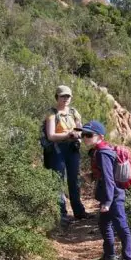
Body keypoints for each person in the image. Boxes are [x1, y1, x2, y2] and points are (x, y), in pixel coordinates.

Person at [80, 120, 131, 260]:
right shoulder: (99, 150)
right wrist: (91, 176)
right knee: (104, 225)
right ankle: (109, 256)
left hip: (114, 196)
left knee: (121, 226)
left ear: (100, 136)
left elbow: (109, 178)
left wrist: (108, 201)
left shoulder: (103, 152)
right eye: (83, 134)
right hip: (109, 195)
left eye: (89, 135)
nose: (85, 137)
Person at [42, 85, 88, 222]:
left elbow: (80, 129)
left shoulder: (74, 112)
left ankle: (79, 211)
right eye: (63, 96)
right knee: (58, 181)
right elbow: (50, 136)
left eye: (68, 96)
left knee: (74, 180)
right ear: (57, 97)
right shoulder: (51, 114)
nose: (65, 98)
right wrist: (68, 134)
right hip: (58, 150)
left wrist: (77, 135)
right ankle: (61, 214)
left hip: (72, 149)